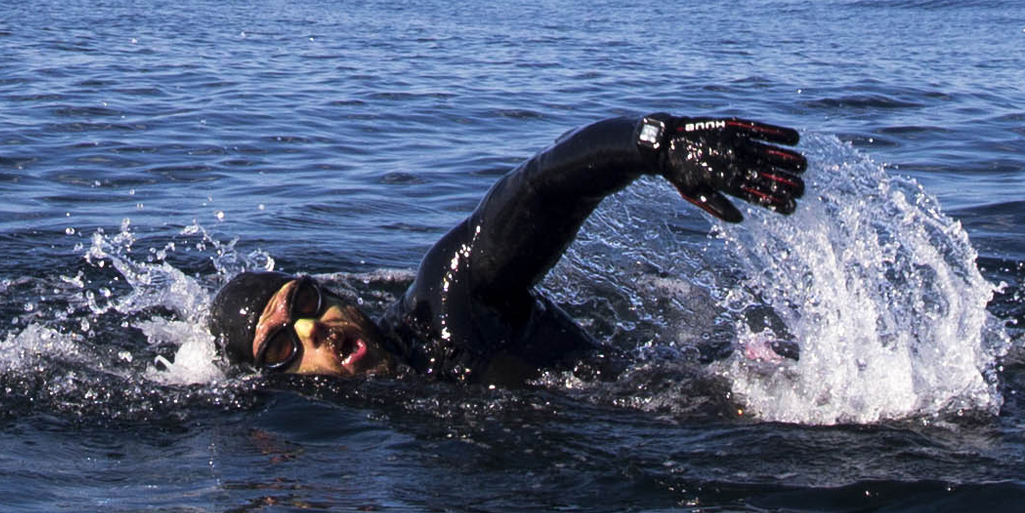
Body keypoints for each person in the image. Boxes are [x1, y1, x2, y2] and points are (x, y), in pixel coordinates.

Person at [208, 112, 806, 385]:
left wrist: (655, 145)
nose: (318, 331)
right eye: (284, 347)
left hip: (727, 396)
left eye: (307, 301)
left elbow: (538, 187)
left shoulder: (450, 308)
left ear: (333, 290)